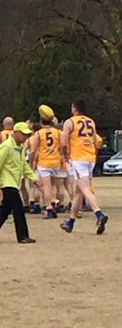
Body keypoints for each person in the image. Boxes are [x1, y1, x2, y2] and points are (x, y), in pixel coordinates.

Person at [0, 122, 38, 244]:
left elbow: (24, 165)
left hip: (14, 182)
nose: (26, 138)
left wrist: (33, 178)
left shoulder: (21, 149)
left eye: (27, 135)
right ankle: (22, 236)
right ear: (16, 133)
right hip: (7, 183)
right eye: (24, 134)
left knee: (5, 210)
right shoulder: (6, 147)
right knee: (18, 209)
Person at [60, 99, 109, 235]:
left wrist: (65, 156)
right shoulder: (90, 122)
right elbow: (97, 140)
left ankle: (99, 214)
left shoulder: (70, 122)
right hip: (90, 158)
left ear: (75, 108)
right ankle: (71, 222)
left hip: (78, 158)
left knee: (85, 189)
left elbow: (63, 141)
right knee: (78, 192)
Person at [28, 113, 62, 219]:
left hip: (44, 162)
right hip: (56, 161)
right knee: (54, 186)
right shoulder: (58, 132)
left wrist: (31, 162)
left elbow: (33, 151)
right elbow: (63, 146)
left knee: (46, 186)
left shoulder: (38, 134)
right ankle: (55, 202)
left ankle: (49, 208)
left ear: (41, 122)